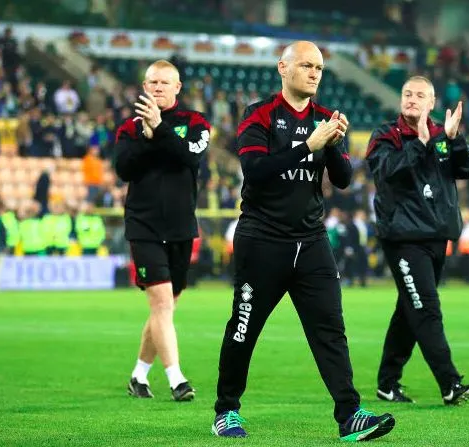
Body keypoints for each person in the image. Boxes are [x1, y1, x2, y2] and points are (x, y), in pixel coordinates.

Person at [212, 41, 395, 442]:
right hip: (262, 239)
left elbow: (343, 180)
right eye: (307, 65)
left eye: (319, 68)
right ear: (283, 68)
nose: (314, 73)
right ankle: (226, 411)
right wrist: (308, 146)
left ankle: (350, 415)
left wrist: (334, 145)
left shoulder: (325, 119)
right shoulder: (259, 114)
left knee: (330, 329)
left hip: (311, 240)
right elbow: (255, 170)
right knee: (244, 327)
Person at [366, 75, 469, 406]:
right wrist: (418, 143)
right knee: (426, 308)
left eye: (419, 95)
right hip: (403, 238)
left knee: (409, 310)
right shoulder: (385, 135)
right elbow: (385, 171)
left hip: (436, 236)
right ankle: (450, 383)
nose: (412, 99)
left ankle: (387, 383)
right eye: (407, 94)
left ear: (431, 103)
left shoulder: (443, 135)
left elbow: (468, 168)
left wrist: (454, 139)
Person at [114, 59, 210, 401]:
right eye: (152, 82)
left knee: (165, 307)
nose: (157, 87)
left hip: (181, 227)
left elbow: (190, 157)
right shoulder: (129, 129)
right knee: (162, 304)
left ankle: (138, 376)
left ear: (177, 87)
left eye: (164, 82)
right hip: (144, 226)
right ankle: (176, 379)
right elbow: (124, 169)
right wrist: (146, 135)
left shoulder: (196, 123)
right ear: (144, 87)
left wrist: (160, 129)